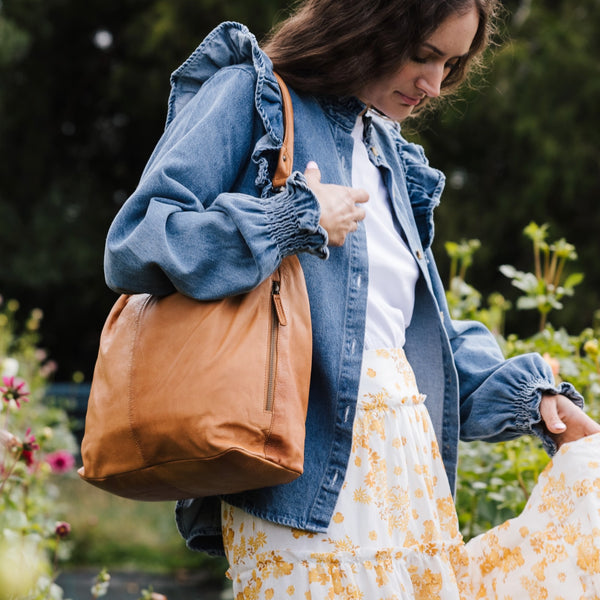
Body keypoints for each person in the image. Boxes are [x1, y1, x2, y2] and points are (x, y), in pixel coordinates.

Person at [103, 0, 600, 597]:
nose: (435, 85)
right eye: (423, 56)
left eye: (451, 63)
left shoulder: (390, 154)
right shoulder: (252, 96)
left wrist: (529, 401)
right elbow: (137, 243)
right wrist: (294, 218)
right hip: (302, 479)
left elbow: (405, 336)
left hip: (410, 468)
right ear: (366, 26)